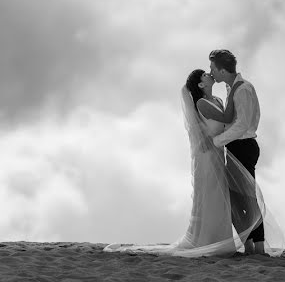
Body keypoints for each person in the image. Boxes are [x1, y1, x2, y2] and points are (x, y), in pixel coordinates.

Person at [103, 68, 275, 257]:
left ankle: (226, 240)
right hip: (208, 156)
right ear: (201, 85)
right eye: (204, 75)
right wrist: (234, 91)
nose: (208, 74)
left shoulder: (216, 101)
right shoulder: (202, 103)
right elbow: (223, 122)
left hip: (218, 155)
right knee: (212, 196)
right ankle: (211, 241)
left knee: (222, 199)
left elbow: (229, 121)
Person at [199, 49, 267, 255]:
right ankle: (251, 245)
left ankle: (259, 248)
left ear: (221, 70)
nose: (211, 71)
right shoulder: (233, 88)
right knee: (236, 199)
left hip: (244, 146)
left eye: (212, 68)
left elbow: (243, 124)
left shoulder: (243, 89)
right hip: (237, 146)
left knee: (248, 199)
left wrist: (217, 141)